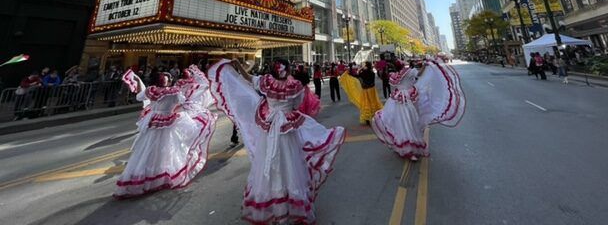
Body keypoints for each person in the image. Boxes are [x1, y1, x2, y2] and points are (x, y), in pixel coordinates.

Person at [207, 58, 345, 224]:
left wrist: (238, 67)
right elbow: (296, 106)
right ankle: (292, 204)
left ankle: (273, 202)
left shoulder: (266, 82)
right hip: (286, 128)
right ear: (288, 69)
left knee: (270, 162)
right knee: (291, 163)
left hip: (270, 125)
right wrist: (284, 107)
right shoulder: (294, 86)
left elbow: (249, 78)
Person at [114, 71, 216, 198]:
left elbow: (139, 97)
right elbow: (182, 104)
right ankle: (158, 176)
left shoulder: (152, 91)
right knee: (167, 149)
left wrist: (138, 82)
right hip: (167, 121)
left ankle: (145, 176)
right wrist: (175, 111)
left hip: (153, 121)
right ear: (168, 80)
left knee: (148, 149)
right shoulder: (174, 92)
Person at [372, 60, 465, 161]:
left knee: (400, 123)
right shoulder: (410, 71)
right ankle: (408, 149)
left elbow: (392, 84)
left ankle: (403, 146)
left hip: (396, 101)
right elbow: (419, 73)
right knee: (409, 123)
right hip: (407, 100)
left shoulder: (392, 75)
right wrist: (426, 65)